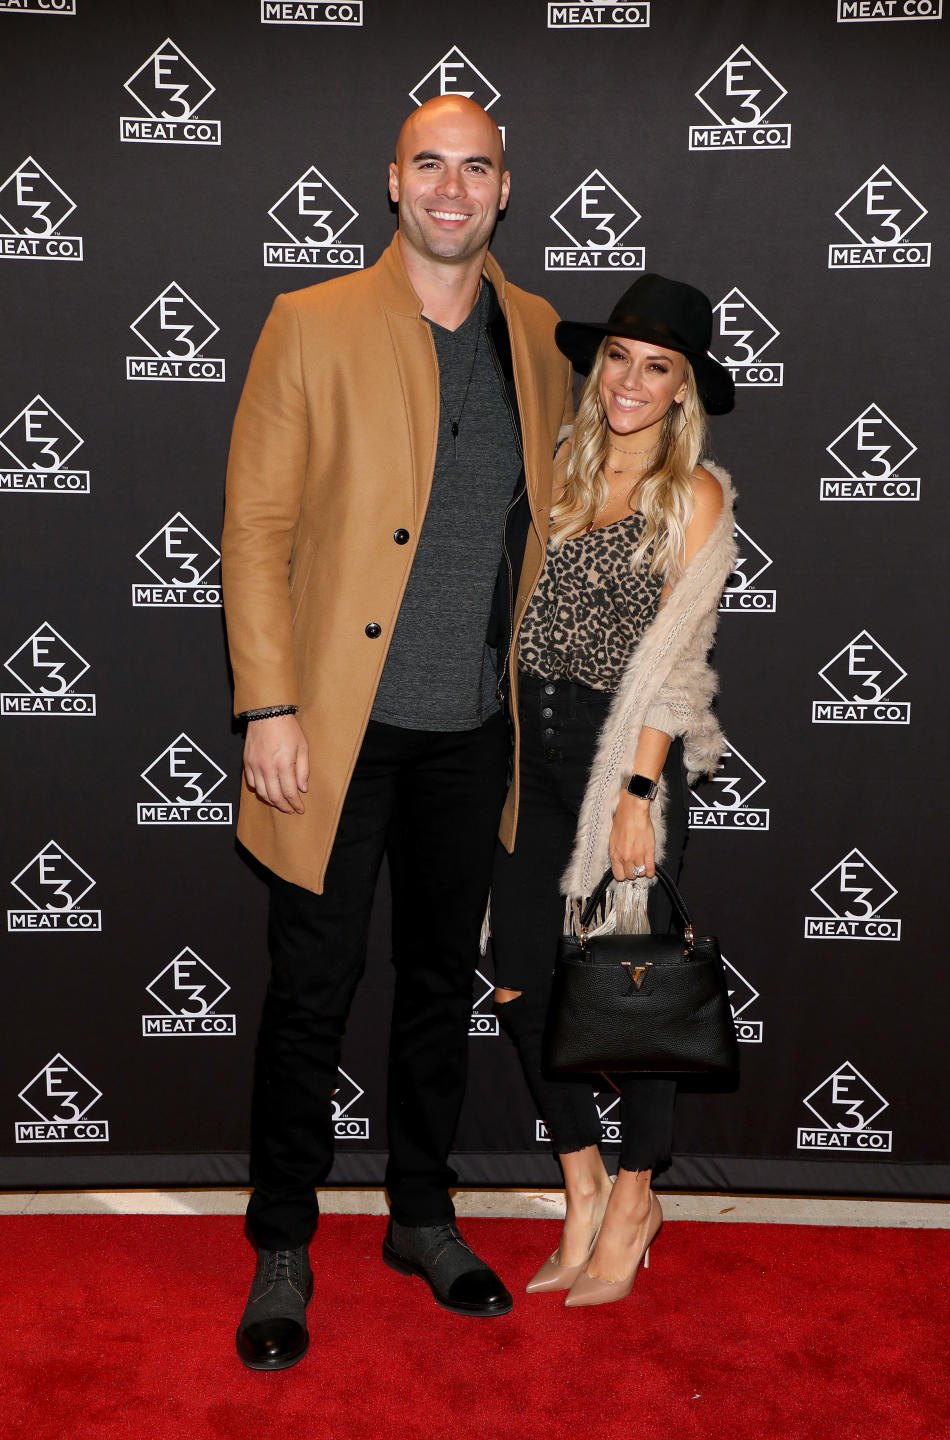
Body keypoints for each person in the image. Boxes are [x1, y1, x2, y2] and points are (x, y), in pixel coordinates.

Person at [221, 94, 571, 1369]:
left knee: (438, 987)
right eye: (430, 163)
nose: (451, 186)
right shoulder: (308, 322)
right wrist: (266, 704)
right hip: (331, 727)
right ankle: (281, 1241)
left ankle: (421, 1214)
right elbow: (254, 530)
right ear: (391, 182)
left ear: (504, 190)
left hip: (474, 729)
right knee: (313, 990)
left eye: (475, 168)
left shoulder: (537, 334)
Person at [490, 273, 737, 1307]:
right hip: (523, 758)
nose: (633, 383)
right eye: (621, 362)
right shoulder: (554, 471)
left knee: (629, 995)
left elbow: (680, 661)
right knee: (518, 982)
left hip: (617, 762)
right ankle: (581, 1182)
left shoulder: (698, 496)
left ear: (684, 389)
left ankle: (638, 1199)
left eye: (659, 368)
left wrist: (638, 788)